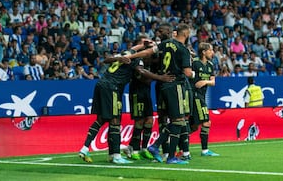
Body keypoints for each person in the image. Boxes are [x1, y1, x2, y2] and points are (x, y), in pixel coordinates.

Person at [78, 50, 175, 164]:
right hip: (112, 87)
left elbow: (105, 60)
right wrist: (160, 77)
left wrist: (117, 58)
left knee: (101, 119)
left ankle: (86, 149)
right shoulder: (137, 60)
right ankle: (116, 156)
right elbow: (141, 71)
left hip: (101, 84)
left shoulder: (126, 53)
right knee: (115, 121)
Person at [126, 23, 195, 164]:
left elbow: (147, 52)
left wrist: (132, 56)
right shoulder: (184, 50)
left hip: (162, 86)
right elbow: (188, 73)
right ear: (186, 34)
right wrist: (195, 74)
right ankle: (162, 151)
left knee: (177, 120)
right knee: (178, 121)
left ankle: (163, 151)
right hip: (175, 85)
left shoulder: (166, 43)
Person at [189, 42, 220, 157]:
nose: (212, 52)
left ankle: (179, 141)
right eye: (210, 50)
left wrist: (205, 82)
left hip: (202, 95)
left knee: (194, 126)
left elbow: (213, 82)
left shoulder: (210, 65)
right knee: (206, 122)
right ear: (204, 52)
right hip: (194, 95)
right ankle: (205, 150)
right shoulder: (195, 63)